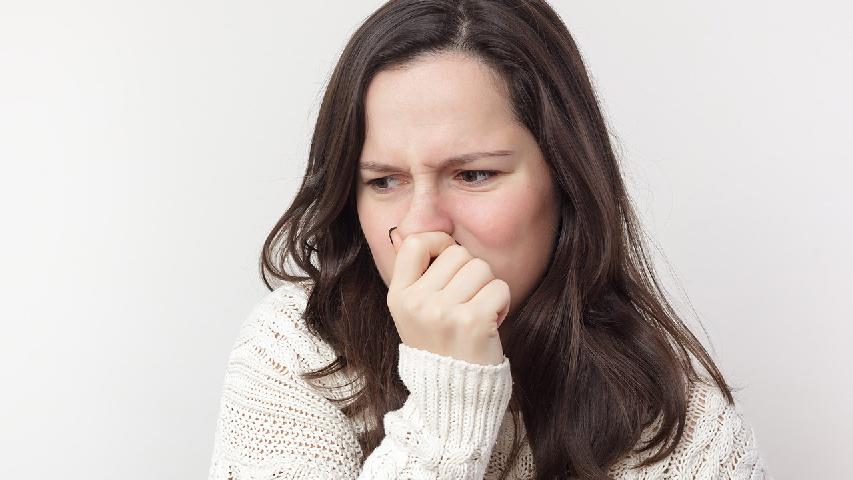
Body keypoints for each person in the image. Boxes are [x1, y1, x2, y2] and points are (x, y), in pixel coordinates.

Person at [207, 1, 771, 478]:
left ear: (566, 179)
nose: (425, 226)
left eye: (473, 175)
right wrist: (449, 399)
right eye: (384, 181)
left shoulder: (684, 432)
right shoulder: (293, 354)